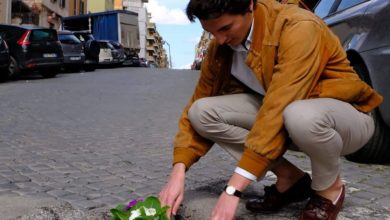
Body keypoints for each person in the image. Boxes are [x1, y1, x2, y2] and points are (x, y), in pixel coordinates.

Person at [159, 0, 383, 219]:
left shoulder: (298, 26)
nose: (220, 39)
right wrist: (178, 172)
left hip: (348, 120)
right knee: (201, 112)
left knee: (299, 115)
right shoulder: (221, 47)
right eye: (211, 32)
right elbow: (197, 103)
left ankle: (329, 189)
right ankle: (290, 179)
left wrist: (233, 189)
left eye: (226, 28)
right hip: (287, 120)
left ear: (249, 6)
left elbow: (279, 105)